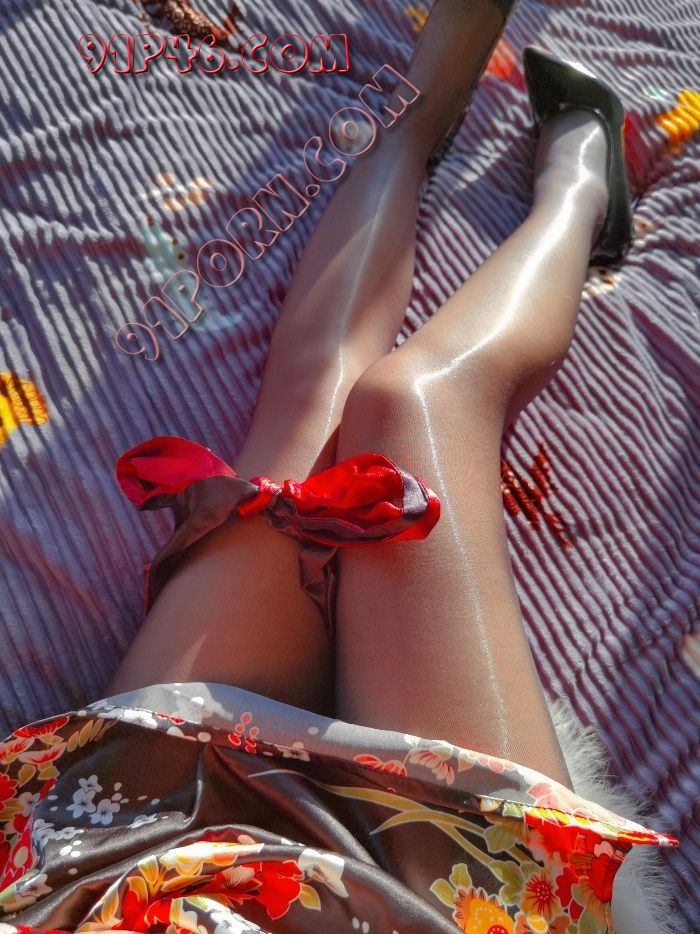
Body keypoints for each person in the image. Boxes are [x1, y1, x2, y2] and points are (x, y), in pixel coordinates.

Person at [0, 1, 676, 931]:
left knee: (323, 392)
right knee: (421, 401)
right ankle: (583, 191)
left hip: (144, 860)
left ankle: (416, 117)